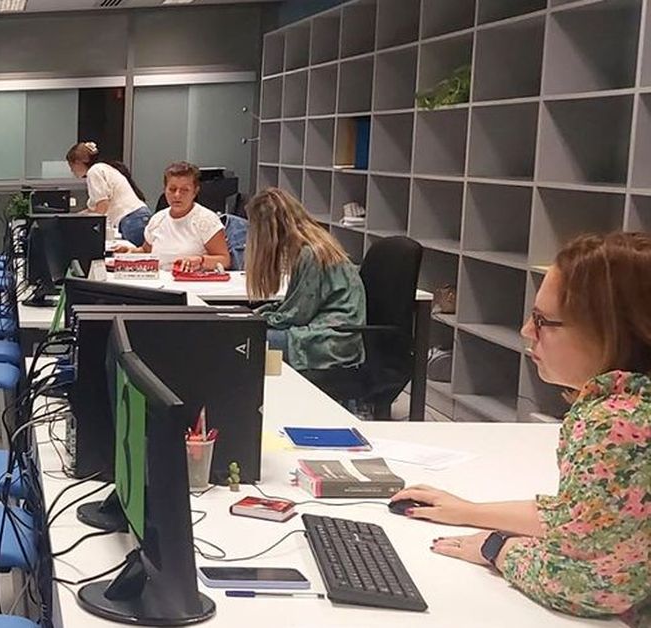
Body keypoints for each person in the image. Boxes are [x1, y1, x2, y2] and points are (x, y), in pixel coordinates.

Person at [390, 232, 650, 626]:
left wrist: (498, 548)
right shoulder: (629, 407)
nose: (528, 331)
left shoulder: (618, 426)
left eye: (543, 321)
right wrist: (468, 511)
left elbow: (595, 587)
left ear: (611, 328)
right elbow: (588, 518)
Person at [244, 187, 365, 371]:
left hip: (330, 340)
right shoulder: (314, 244)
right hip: (327, 333)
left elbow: (297, 315)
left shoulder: (311, 254)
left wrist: (257, 319)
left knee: (246, 341)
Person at [115, 161, 230, 271]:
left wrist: (200, 260)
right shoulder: (157, 219)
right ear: (164, 190)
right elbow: (146, 251)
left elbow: (225, 260)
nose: (177, 195)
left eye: (184, 190)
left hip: (191, 281)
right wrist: (130, 252)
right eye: (172, 189)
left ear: (195, 192)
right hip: (160, 280)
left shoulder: (206, 220)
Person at [66, 141, 152, 247]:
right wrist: (78, 216)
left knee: (135, 256)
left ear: (78, 162)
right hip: (136, 217)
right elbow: (97, 207)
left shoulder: (94, 171)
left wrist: (87, 226)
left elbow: (102, 206)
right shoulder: (104, 168)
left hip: (131, 220)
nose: (71, 170)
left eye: (71, 166)